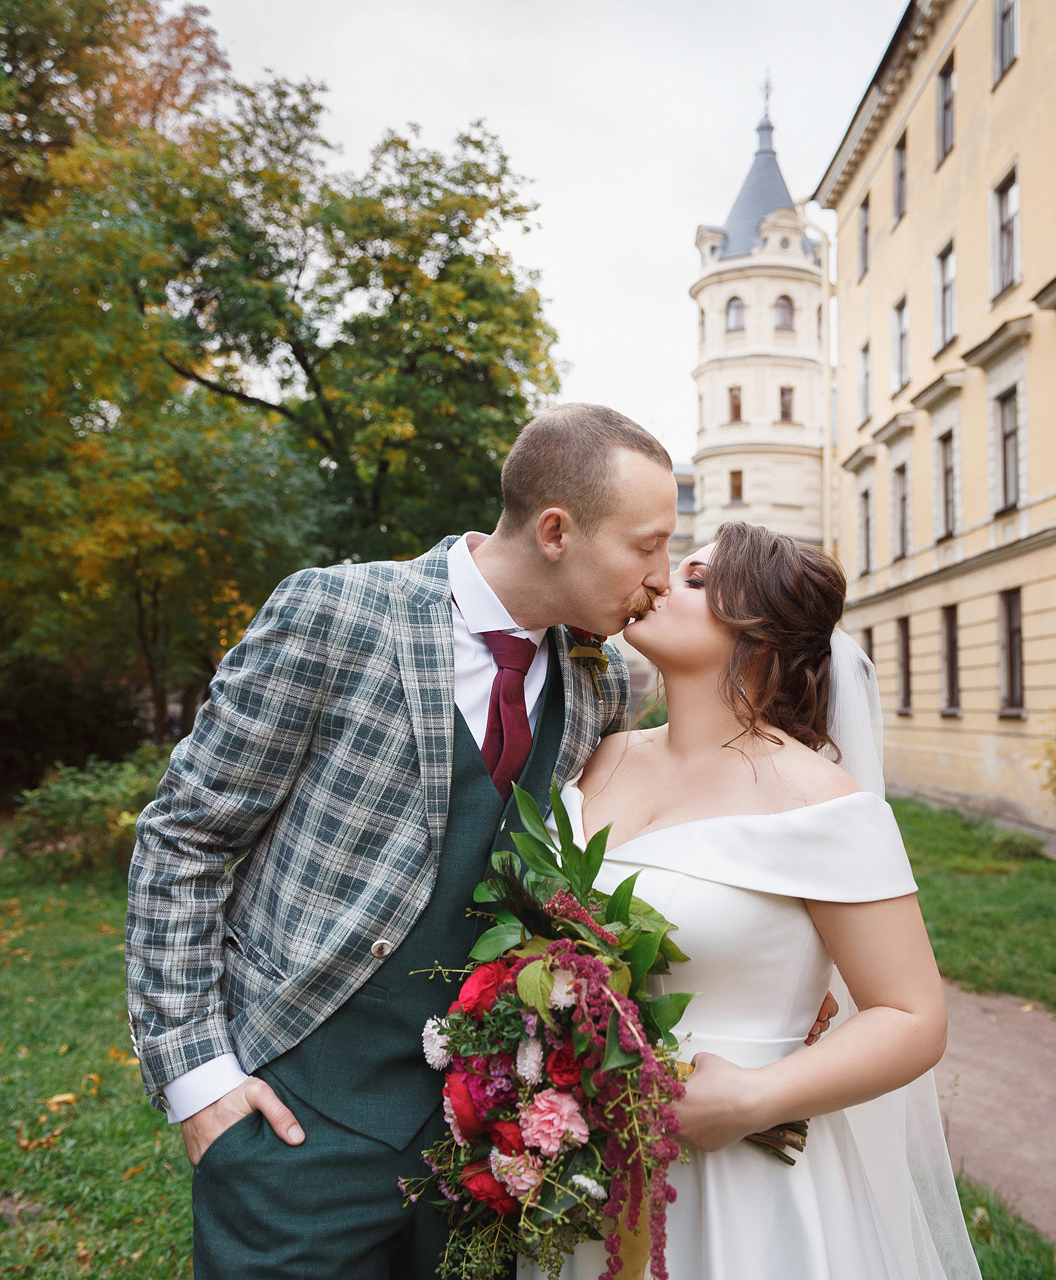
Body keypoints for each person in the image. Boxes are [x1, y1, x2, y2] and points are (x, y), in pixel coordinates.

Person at [128, 404, 820, 1279]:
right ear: (557, 530)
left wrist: (779, 981)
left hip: (488, 1148)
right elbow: (182, 840)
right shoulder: (336, 614)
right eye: (646, 547)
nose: (658, 578)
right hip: (294, 1122)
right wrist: (199, 1080)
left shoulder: (597, 682)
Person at [523, 522, 981, 1280]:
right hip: (582, 1167)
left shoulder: (820, 802)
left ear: (760, 635)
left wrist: (754, 1099)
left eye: (699, 581)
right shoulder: (600, 754)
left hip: (742, 1182)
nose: (664, 581)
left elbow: (913, 1017)